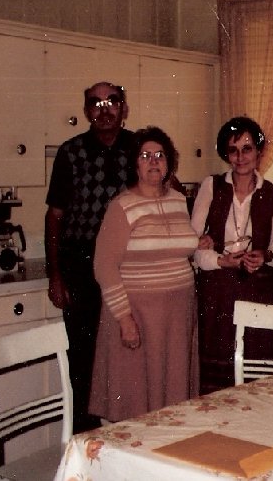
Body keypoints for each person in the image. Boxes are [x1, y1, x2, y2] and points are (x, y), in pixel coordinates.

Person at [89, 127, 200, 421]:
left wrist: (199, 243)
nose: (153, 161)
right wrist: (125, 319)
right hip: (138, 315)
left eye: (160, 155)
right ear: (134, 164)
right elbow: (104, 265)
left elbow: (171, 246)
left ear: (169, 162)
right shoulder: (122, 206)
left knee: (173, 402)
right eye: (145, 155)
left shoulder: (179, 200)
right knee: (135, 405)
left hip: (177, 316)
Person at [44, 81, 132, 432]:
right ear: (86, 112)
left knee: (126, 353)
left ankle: (126, 439)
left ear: (123, 108)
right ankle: (86, 441)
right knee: (83, 357)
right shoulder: (71, 152)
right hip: (80, 266)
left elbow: (165, 192)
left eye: (112, 101)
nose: (104, 109)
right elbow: (55, 216)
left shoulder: (139, 149)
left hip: (126, 266)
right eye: (96, 103)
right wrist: (55, 274)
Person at [191, 116, 273, 394]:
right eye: (233, 150)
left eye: (247, 148)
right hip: (218, 295)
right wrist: (219, 260)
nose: (240, 157)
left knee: (257, 381)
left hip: (258, 293)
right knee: (217, 383)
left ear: (259, 151)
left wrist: (265, 256)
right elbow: (192, 245)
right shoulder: (211, 187)